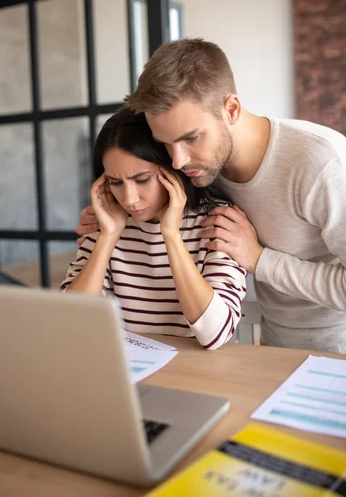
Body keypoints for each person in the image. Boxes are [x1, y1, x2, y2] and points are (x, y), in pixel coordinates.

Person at [78, 39, 346, 354]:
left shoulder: (321, 162)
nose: (177, 160)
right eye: (165, 144)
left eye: (191, 138)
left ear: (231, 109)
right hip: (276, 349)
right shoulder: (202, 169)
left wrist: (259, 259)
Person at [61, 107, 246, 350]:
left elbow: (215, 334)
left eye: (142, 180)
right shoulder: (107, 220)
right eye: (116, 182)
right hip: (125, 376)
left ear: (172, 169)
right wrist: (108, 236)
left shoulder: (218, 221)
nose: (129, 198)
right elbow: (72, 322)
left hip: (198, 376)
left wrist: (171, 235)